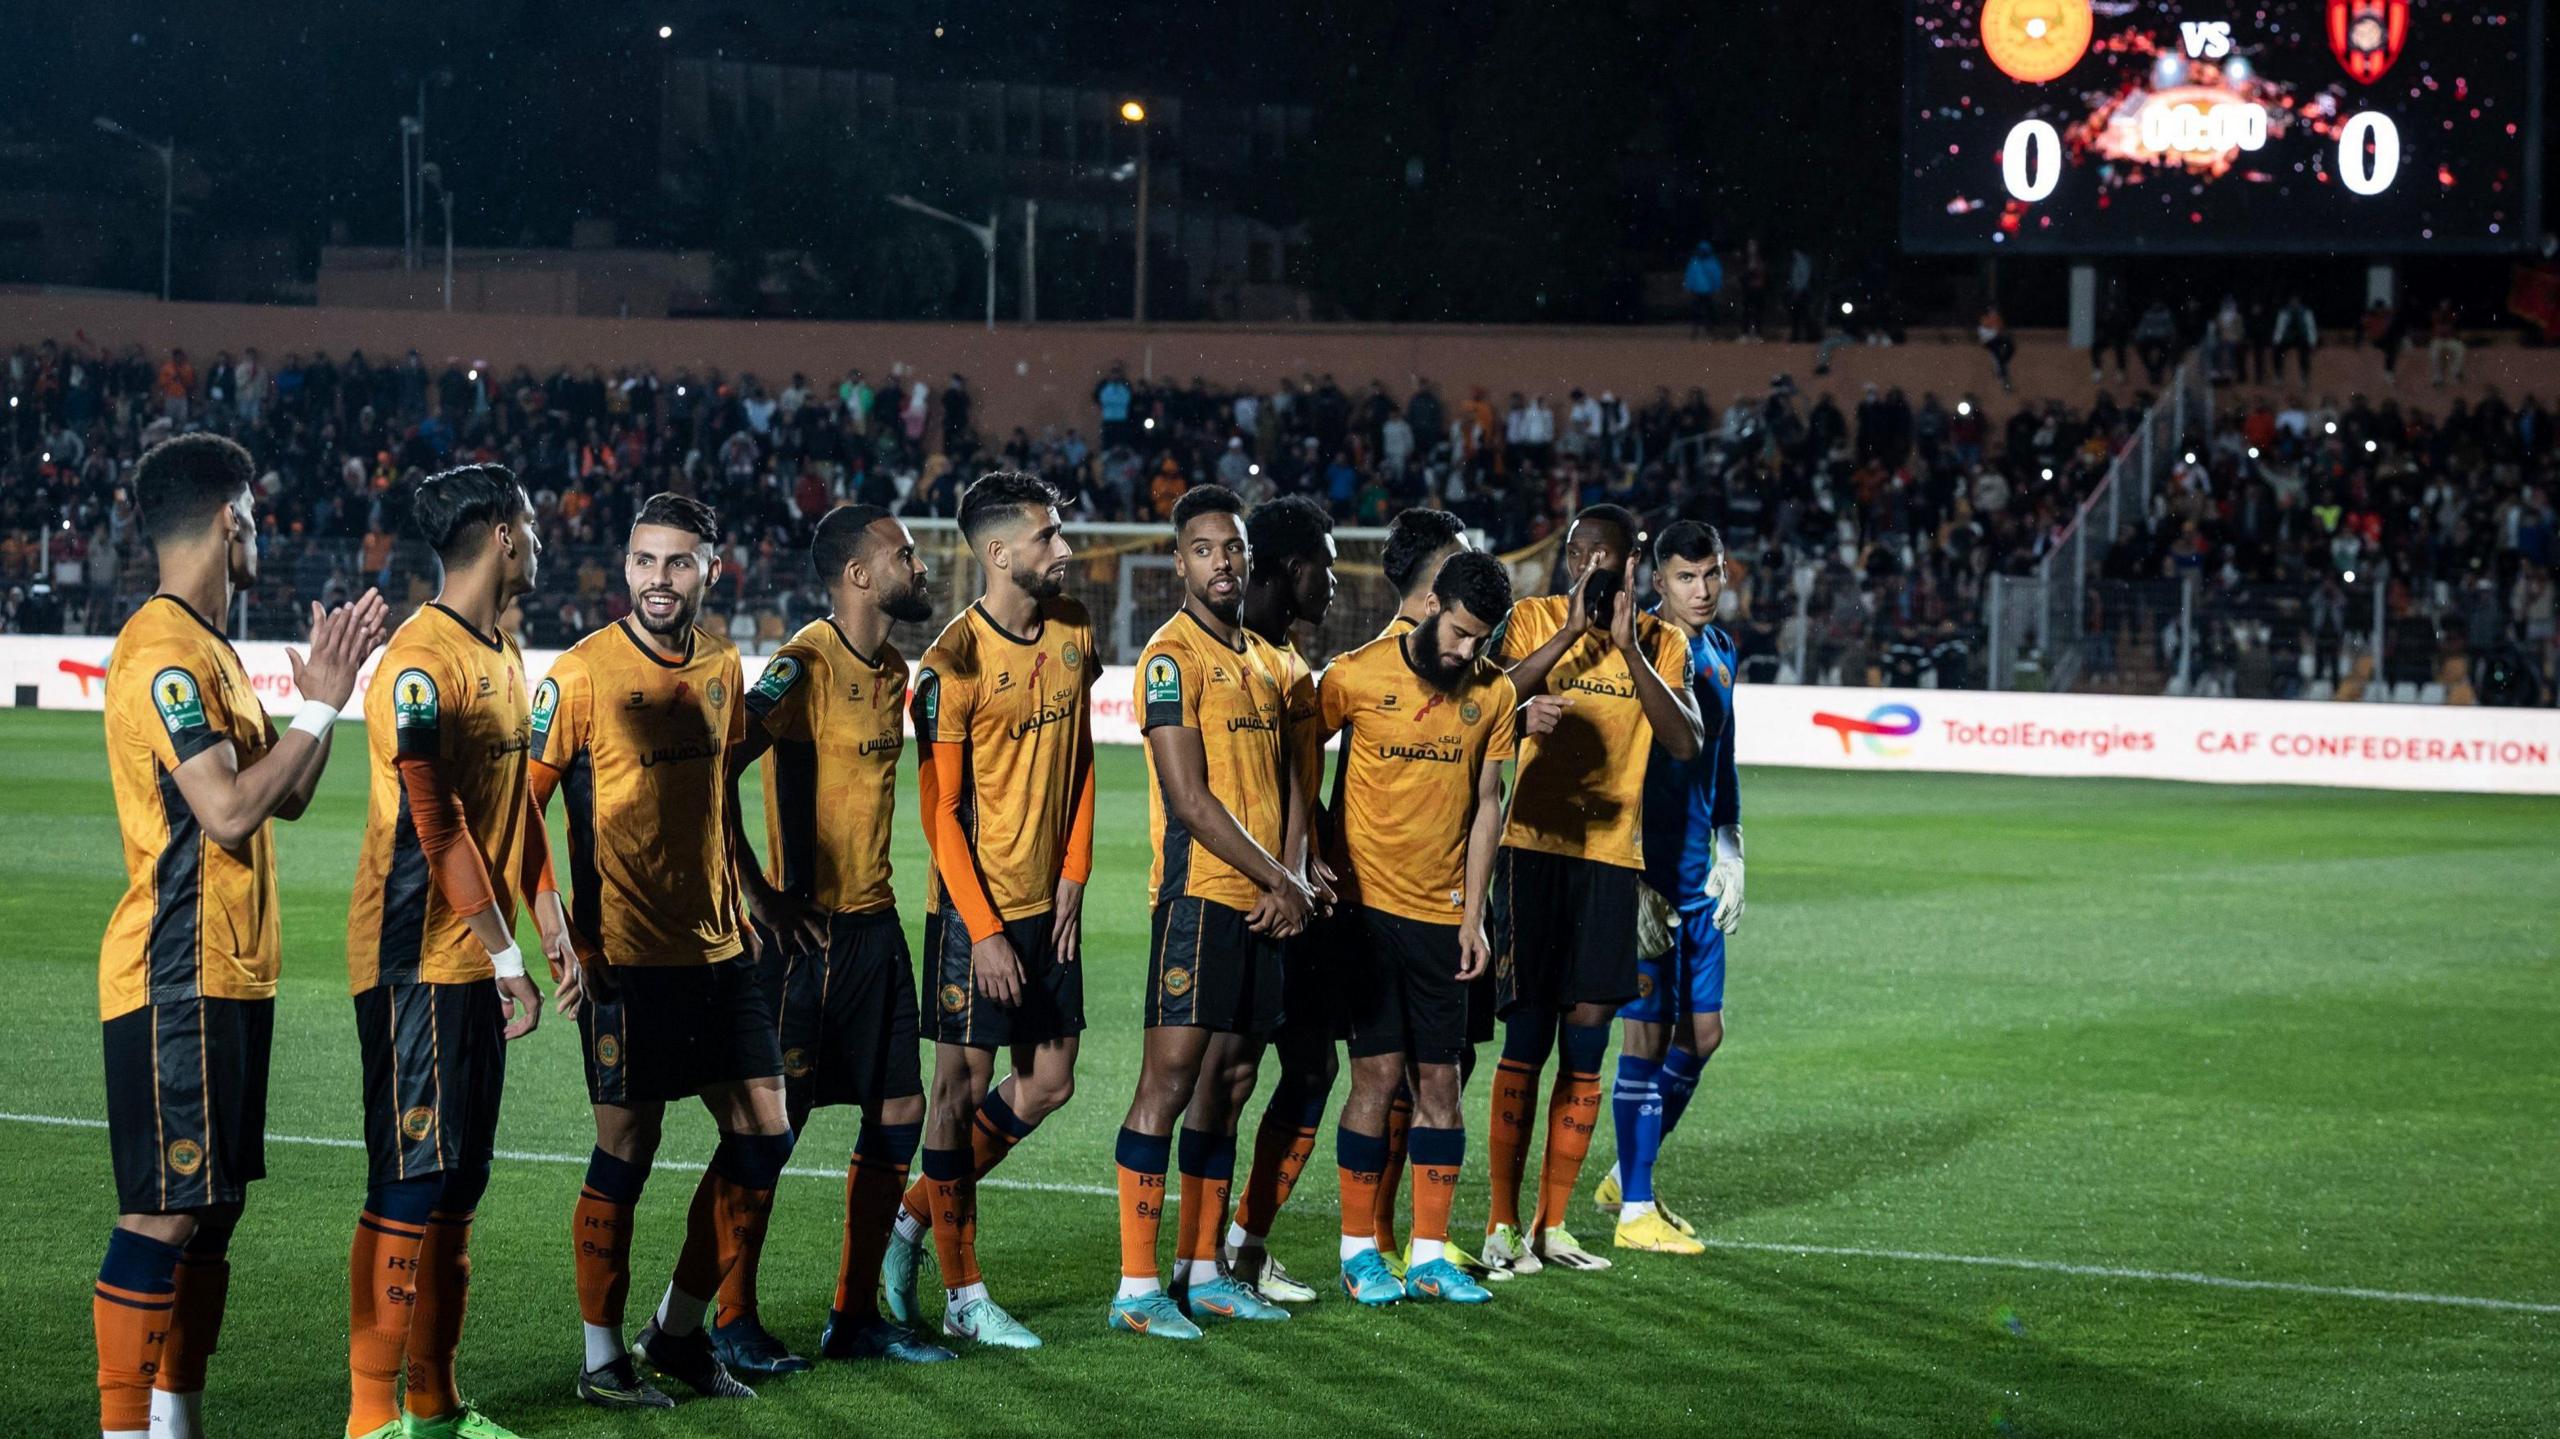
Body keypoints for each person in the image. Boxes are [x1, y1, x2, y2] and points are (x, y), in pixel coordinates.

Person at [93, 433, 387, 1439]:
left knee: (211, 1210)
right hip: (175, 967)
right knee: (166, 1209)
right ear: (231, 519)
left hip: (228, 971)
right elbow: (224, 811)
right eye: (254, 512)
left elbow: (284, 797)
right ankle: (126, 1428)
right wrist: (316, 702)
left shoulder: (210, 648)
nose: (260, 528)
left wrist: (323, 703)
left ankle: (177, 1416)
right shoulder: (165, 650)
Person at [533, 493, 787, 1410]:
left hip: (720, 952)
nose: (659, 579)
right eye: (645, 560)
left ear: (713, 570)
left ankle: (677, 1333)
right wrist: (560, 935)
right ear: (625, 566)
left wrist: (750, 897)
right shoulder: (581, 674)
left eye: (680, 562)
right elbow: (521, 811)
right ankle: (604, 1360)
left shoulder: (723, 664)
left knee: (766, 1133)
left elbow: (719, 795)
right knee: (629, 1149)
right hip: (624, 958)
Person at [706, 505, 956, 1374]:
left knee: (898, 1114)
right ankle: (730, 1317)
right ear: (858, 574)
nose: (919, 566)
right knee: (774, 1128)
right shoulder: (799, 666)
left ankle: (854, 1319)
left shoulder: (892, 668)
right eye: (905, 555)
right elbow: (716, 771)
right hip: (803, 940)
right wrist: (759, 895)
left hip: (873, 929)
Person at [340, 464, 554, 1439]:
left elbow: (518, 805)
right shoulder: (415, 662)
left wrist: (550, 919)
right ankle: (365, 1415)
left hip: (476, 955)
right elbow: (435, 817)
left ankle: (434, 1405)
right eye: (535, 525)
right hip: (415, 958)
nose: (542, 540)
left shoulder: (505, 648)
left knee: (460, 1184)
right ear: (504, 536)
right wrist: (509, 955)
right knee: (413, 1178)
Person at [1222, 505, 1473, 1298]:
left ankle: (1242, 1245)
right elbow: (1234, 786)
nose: (1335, 580)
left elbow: (1306, 784)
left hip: (1316, 899)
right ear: (1294, 567)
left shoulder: (1295, 664)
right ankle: (1204, 1258)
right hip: (1255, 897)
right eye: (1326, 565)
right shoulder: (1261, 661)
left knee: (1311, 1069)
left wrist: (1313, 856)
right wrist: (1296, 865)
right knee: (1228, 1074)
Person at [881, 472, 1098, 1351]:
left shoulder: (1075, 625)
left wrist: (1077, 871)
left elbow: (1081, 755)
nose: (1066, 550)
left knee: (1050, 1079)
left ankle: (908, 1222)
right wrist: (981, 930)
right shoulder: (947, 666)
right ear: (1001, 552)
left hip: (1053, 906)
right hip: (976, 916)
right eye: (1049, 536)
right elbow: (939, 811)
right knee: (956, 1092)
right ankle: (965, 1293)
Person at [1108, 485, 1318, 1340]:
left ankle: (1203, 1271)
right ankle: (1135, 1287)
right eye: (1202, 549)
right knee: (1167, 1083)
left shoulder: (1271, 663)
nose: (1221, 563)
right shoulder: (1170, 658)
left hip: (1267, 906)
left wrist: (1293, 876)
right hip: (1199, 900)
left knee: (1230, 1086)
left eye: (1231, 548)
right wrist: (1283, 879)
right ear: (1178, 561)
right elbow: (1189, 799)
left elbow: (1297, 786)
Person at [1482, 505, 1702, 1276]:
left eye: (1609, 557)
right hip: (1531, 850)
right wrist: (1568, 638)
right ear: (1567, 558)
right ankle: (1501, 1223)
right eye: (1583, 555)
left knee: (1585, 1039)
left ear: (1633, 564)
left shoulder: (1663, 642)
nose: (1594, 568)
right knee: (1528, 1035)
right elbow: (1486, 703)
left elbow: (1683, 741)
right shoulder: (1531, 618)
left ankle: (1552, 1224)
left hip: (1612, 859)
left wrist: (1622, 645)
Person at [1317, 551, 1520, 1307]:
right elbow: (1302, 765)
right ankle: (1358, 1252)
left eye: (1483, 639)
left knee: (1442, 1085)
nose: (1468, 651)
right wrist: (1314, 859)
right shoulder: (1355, 675)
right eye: (1462, 632)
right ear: (1432, 603)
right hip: (1367, 918)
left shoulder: (1495, 694)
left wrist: (1474, 916)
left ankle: (1430, 1255)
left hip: (1443, 920)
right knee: (1373, 1078)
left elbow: (1487, 806)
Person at [1595, 522, 1743, 1257]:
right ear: (1659, 584)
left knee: (1703, 1035)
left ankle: (1627, 1174)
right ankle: (1636, 1209)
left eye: (1712, 573)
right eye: (1687, 577)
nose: (1704, 590)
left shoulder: (1720, 650)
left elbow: (1725, 761)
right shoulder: (1645, 647)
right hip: (1649, 877)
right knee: (1645, 1040)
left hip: (1698, 876)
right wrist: (1633, 865)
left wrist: (1731, 843)